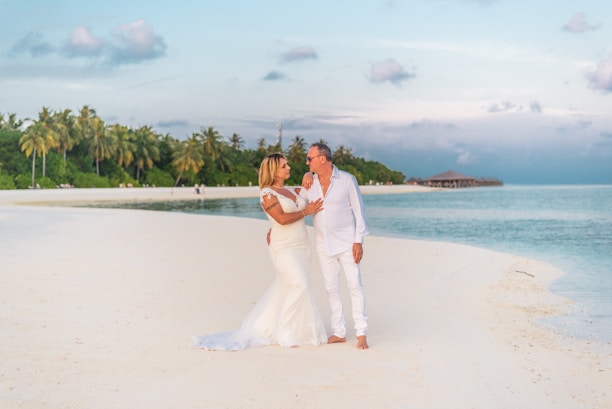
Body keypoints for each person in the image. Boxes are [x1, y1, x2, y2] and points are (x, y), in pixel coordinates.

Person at [193, 153, 326, 350]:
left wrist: (309, 172)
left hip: (302, 246)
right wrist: (307, 211)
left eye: (287, 165)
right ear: (273, 171)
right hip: (283, 247)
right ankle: (284, 332)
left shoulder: (292, 191)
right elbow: (280, 219)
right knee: (299, 284)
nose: (288, 168)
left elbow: (318, 185)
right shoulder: (267, 194)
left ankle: (290, 329)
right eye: (283, 166)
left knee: (288, 287)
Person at [300, 143, 370, 349]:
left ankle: (361, 332)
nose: (307, 162)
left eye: (309, 159)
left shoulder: (347, 180)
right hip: (323, 245)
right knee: (331, 288)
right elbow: (298, 204)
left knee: (355, 285)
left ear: (322, 159)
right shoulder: (309, 183)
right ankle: (338, 331)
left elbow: (359, 212)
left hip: (348, 243)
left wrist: (359, 241)